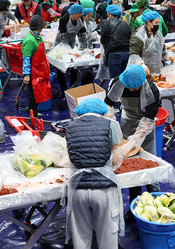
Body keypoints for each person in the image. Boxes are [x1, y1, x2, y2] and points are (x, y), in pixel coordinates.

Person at [65, 98, 123, 249]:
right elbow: (116, 158)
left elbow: (70, 158)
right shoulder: (109, 124)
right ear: (102, 111)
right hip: (103, 190)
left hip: (77, 189)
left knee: (80, 237)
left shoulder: (70, 127)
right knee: (107, 235)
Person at [105, 65, 161, 205]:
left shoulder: (153, 91)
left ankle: (155, 201)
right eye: (128, 86)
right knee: (131, 166)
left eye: (134, 88)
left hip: (145, 130)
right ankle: (134, 203)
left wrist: (133, 142)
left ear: (142, 83)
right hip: (127, 123)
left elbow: (148, 121)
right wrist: (113, 127)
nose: (130, 90)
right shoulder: (117, 82)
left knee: (150, 165)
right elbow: (108, 106)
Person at [21, 16, 52, 116]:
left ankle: (30, 109)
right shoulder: (30, 40)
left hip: (41, 70)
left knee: (41, 92)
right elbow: (26, 58)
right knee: (34, 94)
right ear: (39, 26)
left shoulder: (37, 36)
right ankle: (32, 113)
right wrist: (26, 75)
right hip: (34, 72)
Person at [128, 11, 167, 75]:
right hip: (141, 72)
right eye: (156, 22)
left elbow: (162, 50)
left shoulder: (158, 34)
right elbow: (134, 55)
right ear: (149, 22)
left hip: (157, 72)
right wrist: (142, 65)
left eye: (158, 23)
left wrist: (168, 56)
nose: (157, 25)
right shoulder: (138, 35)